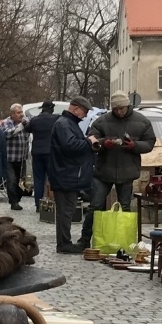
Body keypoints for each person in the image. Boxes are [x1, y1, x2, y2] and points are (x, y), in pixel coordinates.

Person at [79, 93, 155, 248]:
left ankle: (125, 240)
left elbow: (149, 142)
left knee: (125, 207)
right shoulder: (101, 121)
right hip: (103, 171)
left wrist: (135, 146)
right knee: (95, 206)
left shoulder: (142, 121)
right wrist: (102, 144)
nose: (119, 111)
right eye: (116, 109)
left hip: (127, 171)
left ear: (127, 106)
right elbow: (91, 139)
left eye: (122, 108)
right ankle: (85, 239)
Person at [48, 98, 95, 253]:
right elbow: (70, 146)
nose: (85, 115)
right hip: (65, 174)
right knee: (65, 211)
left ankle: (65, 242)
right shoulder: (64, 124)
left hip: (67, 174)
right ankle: (64, 244)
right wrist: (89, 142)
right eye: (84, 111)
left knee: (67, 210)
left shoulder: (68, 123)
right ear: (76, 108)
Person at [25, 100, 57, 211]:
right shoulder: (56, 119)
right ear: (51, 109)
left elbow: (27, 129)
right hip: (51, 152)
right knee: (52, 178)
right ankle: (52, 202)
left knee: (38, 179)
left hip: (37, 152)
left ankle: (38, 205)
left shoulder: (35, 120)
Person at [1, 103, 29, 210]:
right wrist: (20, 126)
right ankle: (13, 202)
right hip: (10, 158)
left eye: (22, 112)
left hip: (22, 158)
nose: (21, 114)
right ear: (12, 114)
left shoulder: (25, 123)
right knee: (11, 180)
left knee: (21, 181)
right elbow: (7, 134)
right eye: (18, 112)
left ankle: (18, 198)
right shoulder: (6, 123)